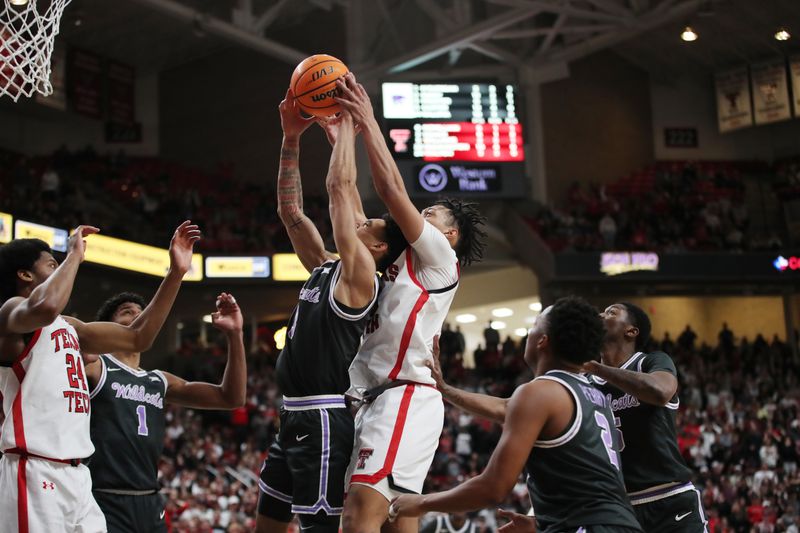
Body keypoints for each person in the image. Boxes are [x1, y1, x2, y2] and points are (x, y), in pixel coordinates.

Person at [335, 72, 487, 533]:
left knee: (362, 510)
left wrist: (367, 121)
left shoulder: (441, 258)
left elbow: (391, 192)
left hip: (404, 394)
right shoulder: (401, 262)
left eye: (431, 214)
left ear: (450, 233)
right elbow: (355, 218)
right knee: (399, 516)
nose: (419, 216)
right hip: (379, 397)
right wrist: (341, 136)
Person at [256, 93, 406, 533]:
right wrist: (291, 139)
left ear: (378, 249)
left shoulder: (362, 279)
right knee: (267, 523)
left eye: (368, 225)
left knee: (318, 529)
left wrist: (345, 131)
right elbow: (290, 212)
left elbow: (341, 191)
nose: (360, 221)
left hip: (323, 418)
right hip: (293, 415)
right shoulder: (327, 267)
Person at [0, 221, 199, 532]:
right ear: (25, 274)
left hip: (80, 476)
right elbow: (46, 305)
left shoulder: (72, 327)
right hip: (35, 469)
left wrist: (175, 273)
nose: (61, 266)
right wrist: (74, 256)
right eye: (52, 263)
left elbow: (137, 337)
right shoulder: (11, 313)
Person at [388, 297, 642, 533]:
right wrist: (445, 389)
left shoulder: (538, 393)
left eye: (533, 326)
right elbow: (505, 409)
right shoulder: (592, 395)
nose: (528, 333)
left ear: (542, 340)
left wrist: (421, 503)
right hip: (621, 524)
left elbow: (494, 487)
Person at [85, 291, 246, 533]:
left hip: (150, 499)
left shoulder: (159, 380)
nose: (139, 317)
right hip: (103, 497)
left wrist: (235, 335)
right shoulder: (95, 366)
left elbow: (230, 397)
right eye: (128, 313)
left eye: (143, 313)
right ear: (109, 327)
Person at [584, 302, 707, 532]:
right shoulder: (585, 384)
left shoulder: (650, 362)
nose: (601, 314)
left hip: (670, 499)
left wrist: (596, 368)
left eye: (611, 312)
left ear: (631, 331)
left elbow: (660, 391)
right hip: (618, 508)